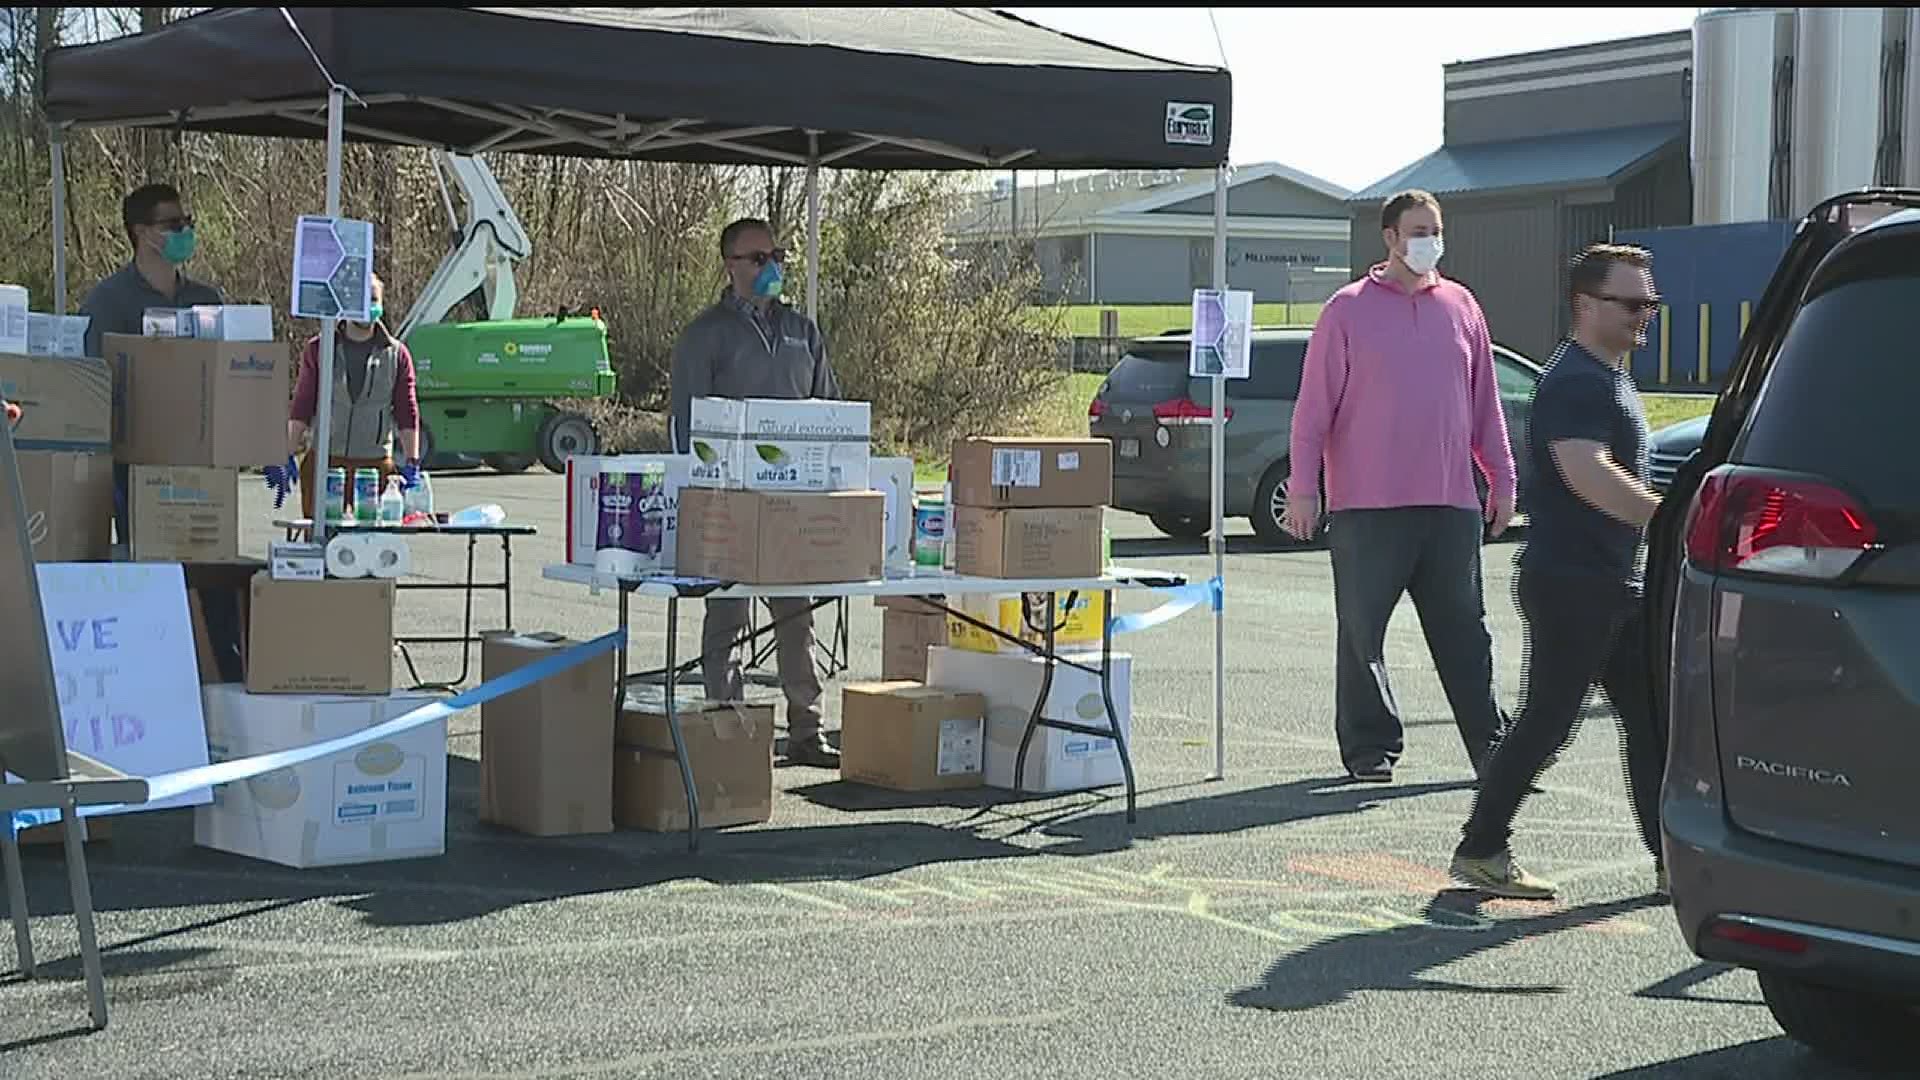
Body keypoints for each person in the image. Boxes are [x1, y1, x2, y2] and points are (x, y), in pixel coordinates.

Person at [1451, 243, 1668, 899]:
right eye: (1630, 303)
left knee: (1652, 721)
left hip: (1608, 584)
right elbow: (1585, 471)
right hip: (1574, 583)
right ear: (1585, 305)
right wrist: (1674, 522)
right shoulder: (1577, 380)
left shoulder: (1607, 375)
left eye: (1649, 304)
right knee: (1548, 720)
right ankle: (1482, 847)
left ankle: (1673, 862)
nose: (1643, 315)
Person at [1283, 189, 1516, 785]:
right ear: (1389, 238)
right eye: (1417, 231)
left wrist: (1502, 480)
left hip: (1450, 506)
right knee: (1362, 634)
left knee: (1466, 636)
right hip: (1368, 508)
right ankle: (1370, 749)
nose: (1429, 242)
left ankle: (1493, 749)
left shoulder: (1463, 307)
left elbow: (1485, 405)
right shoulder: (1346, 310)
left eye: (1435, 230)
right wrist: (1304, 489)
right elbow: (1312, 412)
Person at [668, 217, 841, 768]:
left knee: (797, 618)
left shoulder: (802, 331)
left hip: (791, 503)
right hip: (729, 503)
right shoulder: (705, 334)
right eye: (758, 257)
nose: (772, 266)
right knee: (727, 616)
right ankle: (726, 723)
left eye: (777, 254)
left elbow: (830, 410)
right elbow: (686, 423)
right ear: (731, 266)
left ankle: (806, 730)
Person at [79, 183, 224, 541]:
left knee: (207, 569)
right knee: (149, 567)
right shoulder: (108, 301)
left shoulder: (205, 300)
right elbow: (93, 384)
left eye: (187, 221)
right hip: (136, 468)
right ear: (141, 232)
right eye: (172, 224)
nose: (185, 232)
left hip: (201, 463)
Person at [267, 273, 422, 519]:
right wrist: (285, 453)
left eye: (374, 299)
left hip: (374, 467)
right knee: (323, 542)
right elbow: (303, 404)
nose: (368, 307)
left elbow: (407, 411)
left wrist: (412, 462)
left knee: (372, 544)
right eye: (361, 300)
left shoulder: (397, 354)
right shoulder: (320, 348)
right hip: (325, 465)